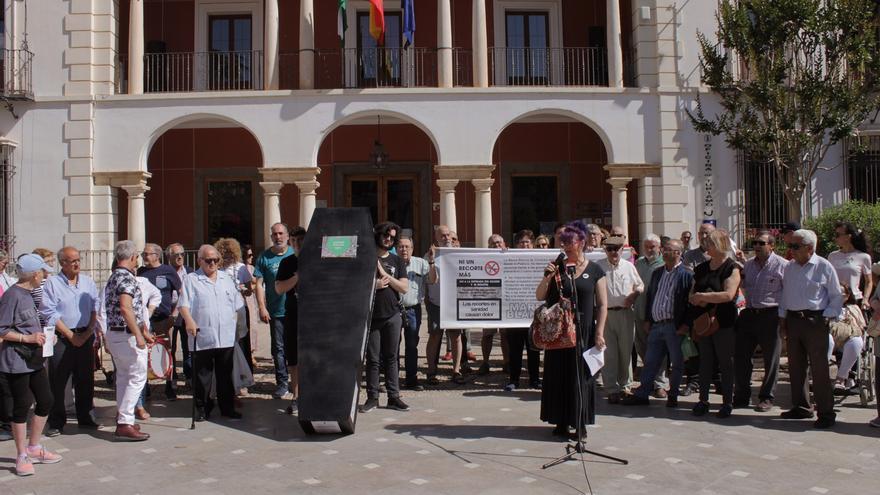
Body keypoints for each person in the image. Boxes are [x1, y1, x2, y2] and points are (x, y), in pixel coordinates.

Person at [536, 221, 607, 439]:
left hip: (584, 330)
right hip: (559, 331)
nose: (566, 247)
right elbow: (540, 296)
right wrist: (547, 276)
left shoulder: (595, 270)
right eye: (563, 242)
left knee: (581, 377)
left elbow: (602, 304)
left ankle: (580, 422)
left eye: (570, 242)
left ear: (582, 243)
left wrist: (599, 332)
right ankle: (561, 421)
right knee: (558, 375)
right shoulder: (557, 268)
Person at [0, 254, 63, 475]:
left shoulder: (30, 293)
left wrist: (46, 336)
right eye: (43, 271)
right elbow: (2, 329)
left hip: (34, 360)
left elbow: (31, 323)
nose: (45, 275)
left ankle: (34, 447)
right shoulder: (12, 296)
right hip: (16, 361)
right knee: (21, 406)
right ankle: (21, 455)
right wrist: (27, 339)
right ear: (35, 274)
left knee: (46, 400)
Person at [779, 229, 842, 429]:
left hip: (814, 320)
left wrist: (826, 316)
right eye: (790, 246)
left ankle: (825, 412)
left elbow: (836, 296)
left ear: (809, 248)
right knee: (796, 367)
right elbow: (785, 294)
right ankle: (801, 406)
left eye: (795, 246)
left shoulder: (824, 266)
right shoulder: (790, 268)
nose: (791, 250)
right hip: (794, 320)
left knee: (819, 368)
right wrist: (782, 319)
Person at [623, 240, 694, 408]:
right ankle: (643, 394)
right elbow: (651, 297)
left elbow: (690, 303)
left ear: (678, 253)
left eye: (669, 250)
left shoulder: (686, 274)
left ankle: (673, 395)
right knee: (650, 361)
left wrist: (685, 324)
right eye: (664, 249)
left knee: (676, 363)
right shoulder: (657, 273)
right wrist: (648, 319)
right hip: (656, 325)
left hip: (674, 326)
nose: (665, 252)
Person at [179, 245, 245, 421]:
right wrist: (189, 320)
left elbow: (237, 305)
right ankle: (202, 408)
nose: (213, 263)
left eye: (216, 260)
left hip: (226, 335)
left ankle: (227, 407)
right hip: (203, 334)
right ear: (200, 260)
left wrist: (240, 328)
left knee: (225, 375)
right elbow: (183, 305)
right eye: (208, 260)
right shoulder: (191, 279)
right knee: (203, 375)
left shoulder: (226, 279)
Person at [40, 247, 100, 436]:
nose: (76, 264)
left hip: (85, 333)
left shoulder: (88, 282)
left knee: (85, 378)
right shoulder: (52, 284)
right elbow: (49, 312)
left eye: (78, 260)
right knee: (58, 380)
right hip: (63, 337)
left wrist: (90, 330)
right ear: (62, 263)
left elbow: (94, 307)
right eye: (71, 261)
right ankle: (56, 421)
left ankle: (86, 416)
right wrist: (70, 335)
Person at [687, 229, 740, 418]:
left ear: (719, 245)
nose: (705, 244)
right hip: (702, 321)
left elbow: (728, 295)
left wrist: (704, 297)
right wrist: (698, 298)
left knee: (725, 362)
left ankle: (727, 402)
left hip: (723, 322)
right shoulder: (701, 268)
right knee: (705, 362)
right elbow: (692, 293)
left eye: (709, 242)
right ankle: (703, 400)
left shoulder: (732, 268)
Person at [103, 240, 153, 441]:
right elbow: (126, 307)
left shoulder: (113, 276)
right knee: (137, 377)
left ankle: (125, 416)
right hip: (126, 336)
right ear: (132, 257)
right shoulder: (127, 278)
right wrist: (139, 334)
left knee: (124, 377)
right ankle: (125, 422)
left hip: (116, 334)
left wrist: (142, 329)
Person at [360, 222, 409, 413]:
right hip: (372, 316)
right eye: (385, 235)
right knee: (373, 359)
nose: (388, 239)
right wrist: (376, 285)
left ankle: (393, 397)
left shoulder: (397, 261)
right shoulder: (367, 259)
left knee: (391, 358)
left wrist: (386, 276)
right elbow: (357, 286)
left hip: (393, 315)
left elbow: (404, 287)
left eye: (392, 237)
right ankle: (372, 397)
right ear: (378, 236)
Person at [735, 231, 786, 412]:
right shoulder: (748, 266)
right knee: (741, 357)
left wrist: (783, 319)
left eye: (761, 243)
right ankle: (741, 395)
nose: (757, 246)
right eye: (755, 243)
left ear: (771, 245)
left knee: (771, 359)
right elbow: (741, 286)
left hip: (771, 315)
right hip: (749, 314)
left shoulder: (782, 266)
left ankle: (766, 397)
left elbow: (787, 293)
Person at [596, 235, 643, 402]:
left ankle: (625, 386)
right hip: (606, 314)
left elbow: (640, 285)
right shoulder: (599, 266)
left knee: (625, 351)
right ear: (605, 250)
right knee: (609, 352)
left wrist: (635, 294)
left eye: (616, 249)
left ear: (622, 250)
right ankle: (611, 388)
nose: (613, 252)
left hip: (625, 313)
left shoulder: (629, 266)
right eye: (609, 249)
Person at [254, 222, 295, 399]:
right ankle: (282, 383)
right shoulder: (264, 257)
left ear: (287, 236)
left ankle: (297, 383)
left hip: (295, 310)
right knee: (278, 349)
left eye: (281, 233)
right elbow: (259, 284)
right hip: (276, 310)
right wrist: (262, 307)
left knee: (296, 348)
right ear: (271, 237)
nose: (278, 237)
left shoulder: (295, 254)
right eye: (275, 234)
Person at [136, 243, 182, 400]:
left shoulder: (168, 271)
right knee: (145, 352)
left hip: (164, 318)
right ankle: (146, 386)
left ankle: (169, 386)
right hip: (145, 320)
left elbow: (181, 293)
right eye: (143, 254)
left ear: (157, 255)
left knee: (167, 351)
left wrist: (174, 314)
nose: (144, 257)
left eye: (147, 254)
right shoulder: (140, 272)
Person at [424, 225, 464, 385]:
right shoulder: (429, 255)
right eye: (443, 236)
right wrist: (432, 260)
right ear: (436, 238)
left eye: (448, 235)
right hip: (436, 304)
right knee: (434, 336)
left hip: (454, 304)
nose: (446, 238)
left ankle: (456, 370)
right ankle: (431, 371)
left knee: (456, 337)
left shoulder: (460, 254)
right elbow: (430, 280)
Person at [505, 230, 542, 392]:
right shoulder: (510, 259)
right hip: (515, 313)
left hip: (534, 314)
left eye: (527, 242)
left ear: (532, 244)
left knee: (534, 349)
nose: (524, 245)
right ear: (516, 245)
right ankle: (514, 380)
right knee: (515, 350)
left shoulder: (541, 260)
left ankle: (534, 379)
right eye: (521, 242)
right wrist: (502, 255)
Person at [215, 237, 255, 388]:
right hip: (223, 310)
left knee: (243, 343)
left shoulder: (241, 267)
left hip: (239, 309)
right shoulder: (217, 269)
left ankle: (244, 378)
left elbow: (250, 289)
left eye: (231, 254)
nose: (228, 257)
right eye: (225, 254)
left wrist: (244, 289)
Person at [275, 227, 305, 414]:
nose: (297, 244)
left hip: (316, 318)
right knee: (293, 359)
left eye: (300, 240)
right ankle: (296, 397)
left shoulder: (317, 261)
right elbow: (279, 288)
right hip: (293, 316)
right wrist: (297, 277)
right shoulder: (287, 263)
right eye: (293, 240)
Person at [632, 234, 667, 398]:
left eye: (652, 246)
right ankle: (648, 381)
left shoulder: (664, 264)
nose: (649, 249)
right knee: (643, 349)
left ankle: (659, 384)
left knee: (658, 350)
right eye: (646, 246)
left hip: (655, 315)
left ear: (659, 247)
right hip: (638, 313)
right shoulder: (638, 263)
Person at [396, 235, 429, 391]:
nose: (404, 249)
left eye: (407, 246)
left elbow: (433, 280)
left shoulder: (421, 263)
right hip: (394, 310)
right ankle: (392, 380)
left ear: (412, 248)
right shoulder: (391, 262)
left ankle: (411, 380)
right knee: (392, 346)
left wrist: (433, 261)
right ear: (396, 249)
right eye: (401, 246)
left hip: (412, 310)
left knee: (411, 345)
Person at [478, 234, 509, 375]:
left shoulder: (510, 256)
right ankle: (485, 362)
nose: (496, 245)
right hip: (490, 299)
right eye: (492, 244)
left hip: (506, 299)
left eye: (498, 243)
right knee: (487, 335)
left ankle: (507, 362)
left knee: (505, 334)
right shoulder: (483, 258)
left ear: (504, 244)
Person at [133, 275, 161, 420]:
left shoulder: (142, 282)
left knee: (141, 372)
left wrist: (149, 311)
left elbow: (157, 294)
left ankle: (139, 405)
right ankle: (125, 408)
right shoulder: (114, 282)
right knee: (125, 375)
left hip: (141, 331)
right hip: (122, 334)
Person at [827, 221, 872, 311]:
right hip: (834, 300)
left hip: (854, 301)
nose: (835, 238)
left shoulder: (863, 257)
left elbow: (869, 281)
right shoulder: (832, 256)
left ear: (848, 236)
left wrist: (865, 299)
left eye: (838, 235)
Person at [829, 285, 865, 395]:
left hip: (849, 337)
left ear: (847, 296)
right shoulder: (826, 307)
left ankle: (840, 378)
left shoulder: (853, 308)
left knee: (856, 342)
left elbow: (862, 326)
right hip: (831, 336)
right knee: (827, 339)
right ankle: (820, 377)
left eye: (841, 294)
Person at [165, 243, 193, 384]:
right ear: (169, 256)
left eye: (182, 254)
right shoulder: (164, 272)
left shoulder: (189, 271)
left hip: (185, 314)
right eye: (176, 255)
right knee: (171, 347)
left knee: (187, 346)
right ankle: (172, 376)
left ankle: (188, 375)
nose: (180, 257)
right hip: (169, 313)